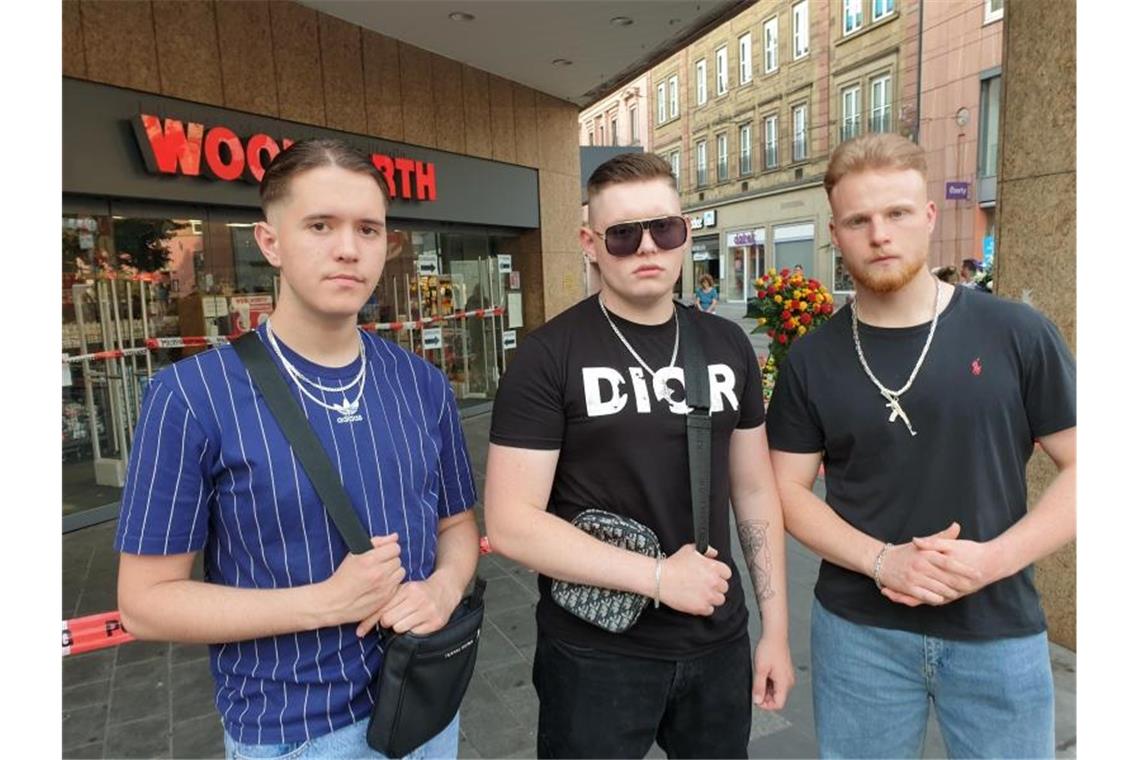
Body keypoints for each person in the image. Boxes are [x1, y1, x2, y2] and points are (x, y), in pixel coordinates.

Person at [114, 138, 480, 759]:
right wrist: (324, 603)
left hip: (426, 706)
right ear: (270, 242)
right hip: (293, 732)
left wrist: (444, 589)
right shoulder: (189, 395)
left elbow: (458, 525)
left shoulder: (421, 383)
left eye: (368, 229)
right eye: (320, 225)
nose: (348, 248)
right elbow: (145, 605)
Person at [766, 133, 1075, 758]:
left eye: (897, 213)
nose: (880, 234)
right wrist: (884, 561)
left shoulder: (1016, 332)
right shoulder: (812, 358)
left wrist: (993, 560)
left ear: (930, 217)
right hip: (860, 635)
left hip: (999, 627)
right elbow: (786, 492)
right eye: (859, 220)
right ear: (837, 232)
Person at [484, 152, 795, 758]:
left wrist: (776, 631)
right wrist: (657, 578)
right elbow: (511, 524)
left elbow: (755, 492)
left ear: (685, 231)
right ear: (590, 243)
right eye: (624, 234)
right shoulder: (548, 357)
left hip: (716, 643)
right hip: (594, 651)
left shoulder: (725, 343)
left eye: (665, 229)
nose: (647, 248)